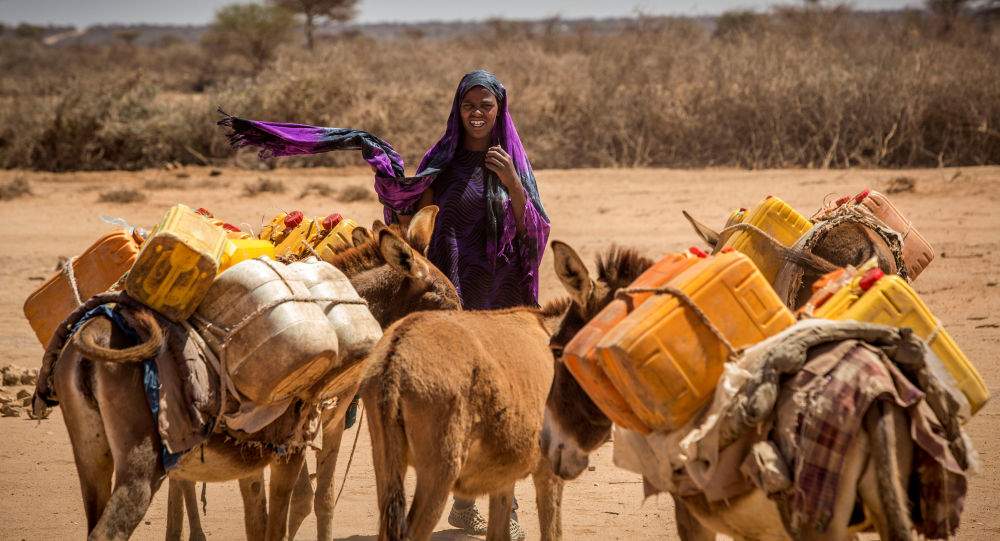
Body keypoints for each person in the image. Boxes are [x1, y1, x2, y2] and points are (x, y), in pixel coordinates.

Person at [218, 69, 550, 539]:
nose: (477, 113)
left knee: (498, 395)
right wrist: (394, 186)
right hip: (449, 292)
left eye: (486, 106)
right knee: (454, 391)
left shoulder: (513, 162)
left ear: (500, 111)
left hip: (498, 293)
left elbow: (534, 231)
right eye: (468, 105)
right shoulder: (443, 160)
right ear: (458, 110)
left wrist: (513, 183)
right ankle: (461, 498)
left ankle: (504, 505)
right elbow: (412, 214)